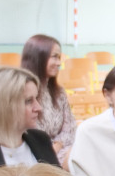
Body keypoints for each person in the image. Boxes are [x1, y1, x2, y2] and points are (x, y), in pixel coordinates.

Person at [21, 34, 76, 166]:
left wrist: (57, 146)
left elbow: (70, 127)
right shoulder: (22, 92)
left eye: (59, 58)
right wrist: (50, 150)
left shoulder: (59, 92)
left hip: (60, 151)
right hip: (34, 156)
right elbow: (28, 132)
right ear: (38, 57)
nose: (59, 63)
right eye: (54, 57)